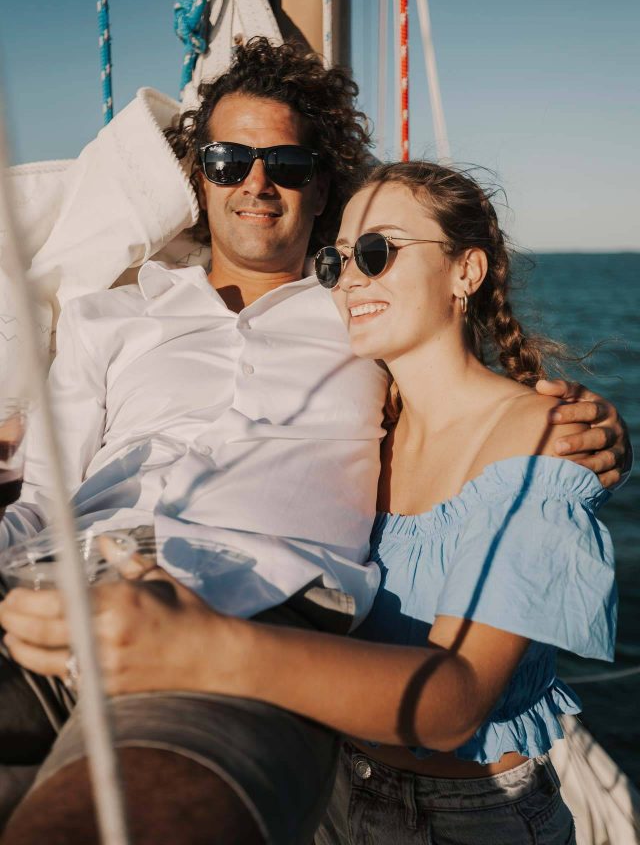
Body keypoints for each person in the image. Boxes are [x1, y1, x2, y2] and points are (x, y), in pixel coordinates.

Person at [0, 42, 628, 844]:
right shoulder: (109, 318)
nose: (255, 183)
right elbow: (43, 489)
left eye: (286, 163)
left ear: (320, 183)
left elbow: (470, 405)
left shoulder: (357, 321)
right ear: (199, 176)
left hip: (253, 614)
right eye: (227, 160)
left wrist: (593, 433)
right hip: (59, 587)